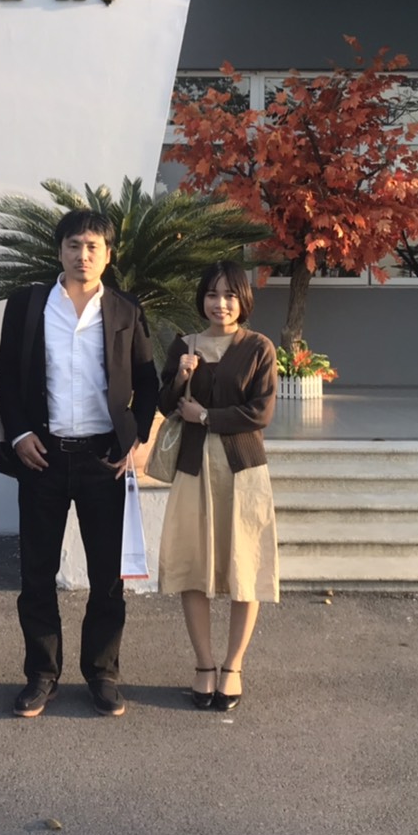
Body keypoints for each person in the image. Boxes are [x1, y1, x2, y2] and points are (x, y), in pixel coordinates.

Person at [0, 209, 159, 718]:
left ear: (108, 254)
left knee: (107, 576)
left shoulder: (125, 310)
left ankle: (102, 674)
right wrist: (20, 433)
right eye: (73, 245)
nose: (82, 255)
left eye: (92, 247)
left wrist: (135, 440)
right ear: (59, 250)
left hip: (103, 459)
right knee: (36, 573)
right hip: (41, 456)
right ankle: (41, 675)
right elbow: (6, 377)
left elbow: (147, 382)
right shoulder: (28, 305)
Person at [156, 260, 279, 712]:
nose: (220, 304)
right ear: (201, 299)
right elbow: (164, 403)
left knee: (245, 568)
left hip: (243, 472)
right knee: (192, 566)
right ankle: (204, 663)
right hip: (193, 469)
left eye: (229, 295)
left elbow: (261, 412)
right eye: (212, 294)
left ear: (243, 300)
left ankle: (233, 666)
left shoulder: (259, 347)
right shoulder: (184, 345)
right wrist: (181, 377)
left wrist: (206, 416)